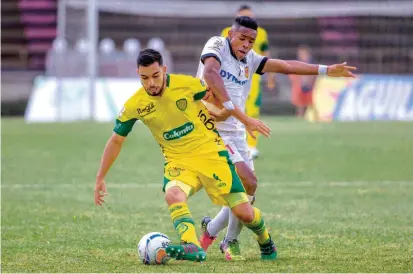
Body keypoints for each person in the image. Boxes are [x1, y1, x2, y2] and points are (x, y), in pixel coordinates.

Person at [93, 48, 277, 263]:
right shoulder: (135, 104)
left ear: (163, 70)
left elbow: (216, 95)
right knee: (173, 195)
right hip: (178, 161)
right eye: (144, 78)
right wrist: (100, 178)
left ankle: (265, 239)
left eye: (155, 76)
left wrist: (223, 114)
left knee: (245, 213)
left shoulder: (187, 84)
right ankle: (192, 244)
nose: (151, 83)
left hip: (211, 154)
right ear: (138, 74)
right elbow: (116, 140)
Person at [197, 16, 356, 261]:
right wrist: (243, 116)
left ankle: (211, 230)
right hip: (211, 130)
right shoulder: (217, 45)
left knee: (249, 188)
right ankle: (230, 241)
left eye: (251, 40)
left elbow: (285, 66)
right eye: (242, 38)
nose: (247, 44)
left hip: (237, 131)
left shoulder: (250, 59)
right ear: (231, 34)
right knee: (244, 180)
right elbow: (210, 74)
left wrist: (326, 70)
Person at [220, 5, 275, 159]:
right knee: (231, 110)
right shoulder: (225, 32)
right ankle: (229, 144)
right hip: (230, 77)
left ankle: (251, 146)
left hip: (253, 78)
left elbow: (266, 55)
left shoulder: (261, 34)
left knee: (252, 110)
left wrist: (270, 77)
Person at [289, 45, 319, 120]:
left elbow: (314, 75)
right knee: (300, 104)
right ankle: (300, 118)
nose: (301, 55)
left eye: (303, 53)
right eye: (300, 53)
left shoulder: (311, 63)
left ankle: (316, 118)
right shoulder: (298, 63)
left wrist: (311, 83)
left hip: (309, 86)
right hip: (300, 86)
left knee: (311, 103)